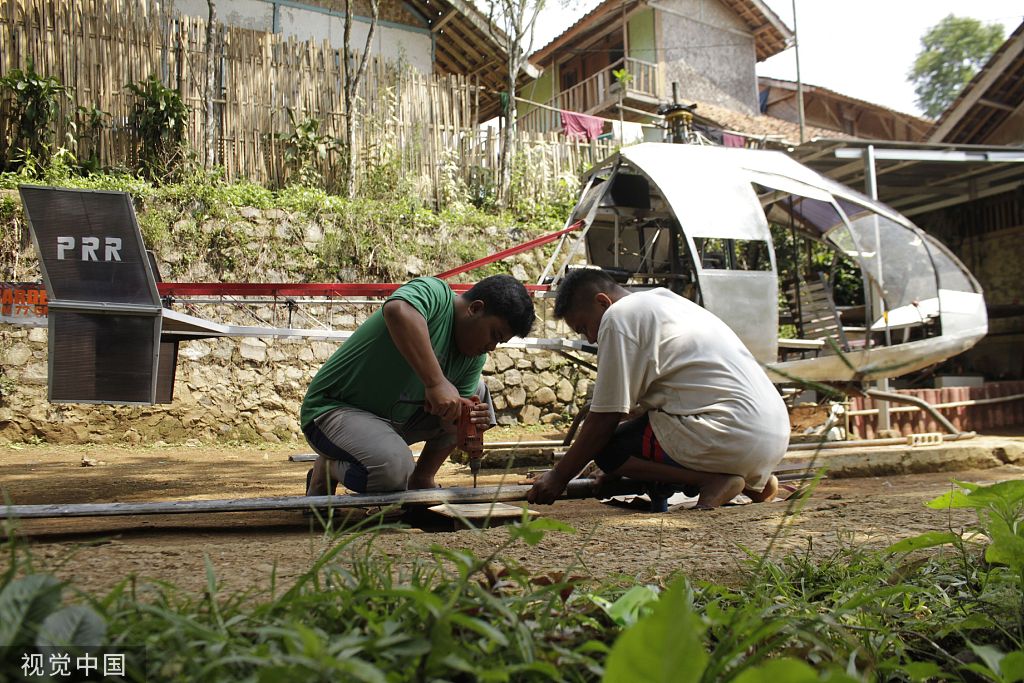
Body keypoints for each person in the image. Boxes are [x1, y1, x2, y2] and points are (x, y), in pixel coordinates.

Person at [527, 268, 790, 509]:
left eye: (584, 327)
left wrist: (559, 476)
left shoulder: (618, 317)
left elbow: (605, 417)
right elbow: (643, 412)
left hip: (729, 432)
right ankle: (758, 484)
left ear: (602, 302)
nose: (591, 339)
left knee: (608, 449)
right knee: (629, 438)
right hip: (773, 433)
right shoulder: (667, 302)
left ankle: (711, 481)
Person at [302, 274, 534, 495]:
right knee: (394, 474)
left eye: (499, 342)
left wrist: (464, 423)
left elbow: (446, 425)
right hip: (332, 411)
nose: (492, 346)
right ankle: (328, 467)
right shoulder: (435, 294)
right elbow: (397, 310)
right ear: (475, 308)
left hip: (395, 422)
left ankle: (421, 479)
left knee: (476, 394)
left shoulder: (473, 358)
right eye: (494, 334)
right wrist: (436, 382)